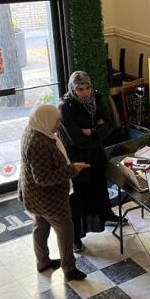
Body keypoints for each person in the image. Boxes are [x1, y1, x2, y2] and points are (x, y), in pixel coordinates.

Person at [18, 104, 89, 281]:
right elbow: (43, 178)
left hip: (33, 195)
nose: (59, 123)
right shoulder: (38, 143)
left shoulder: (33, 129)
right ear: (46, 120)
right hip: (48, 199)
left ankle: (43, 262)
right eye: (56, 120)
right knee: (65, 229)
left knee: (40, 226)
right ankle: (69, 269)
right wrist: (72, 169)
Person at [58, 71, 118, 251]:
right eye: (80, 89)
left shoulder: (96, 99)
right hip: (77, 159)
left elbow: (109, 126)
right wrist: (96, 129)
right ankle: (76, 237)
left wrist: (90, 131)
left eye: (87, 88)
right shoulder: (66, 107)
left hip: (96, 156)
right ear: (73, 89)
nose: (85, 93)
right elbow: (77, 139)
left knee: (100, 187)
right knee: (78, 198)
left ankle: (106, 215)